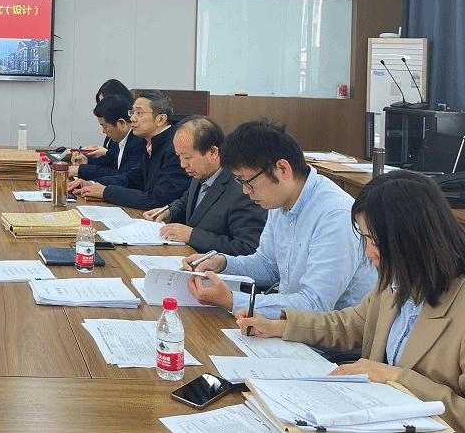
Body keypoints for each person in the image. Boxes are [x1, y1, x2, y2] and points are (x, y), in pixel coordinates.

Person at [237, 171, 465, 432]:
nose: (368, 253)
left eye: (374, 241)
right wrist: (279, 327)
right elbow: (351, 324)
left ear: (412, 239)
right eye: (366, 239)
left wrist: (397, 377)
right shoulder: (398, 280)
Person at [185, 119, 376, 318]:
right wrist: (223, 263)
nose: (245, 191)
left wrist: (233, 301)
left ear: (282, 169)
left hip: (332, 335)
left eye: (248, 181)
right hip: (289, 325)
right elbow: (268, 265)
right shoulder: (280, 200)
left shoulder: (335, 215)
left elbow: (315, 304)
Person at [143, 116, 266, 255]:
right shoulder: (201, 172)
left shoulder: (243, 189)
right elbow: (187, 201)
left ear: (213, 152)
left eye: (187, 157)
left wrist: (192, 235)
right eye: (178, 156)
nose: (182, 164)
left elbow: (247, 248)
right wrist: (169, 212)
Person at [69, 90, 191, 210]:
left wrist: (106, 192)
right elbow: (131, 178)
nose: (132, 118)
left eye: (139, 113)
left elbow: (158, 199)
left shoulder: (175, 147)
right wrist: (92, 183)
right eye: (132, 112)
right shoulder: (150, 142)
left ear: (161, 119)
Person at [68, 94, 145, 182]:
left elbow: (123, 176)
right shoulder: (118, 138)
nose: (103, 131)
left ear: (121, 123)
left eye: (104, 126)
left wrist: (81, 170)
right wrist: (86, 161)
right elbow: (108, 161)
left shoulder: (139, 142)